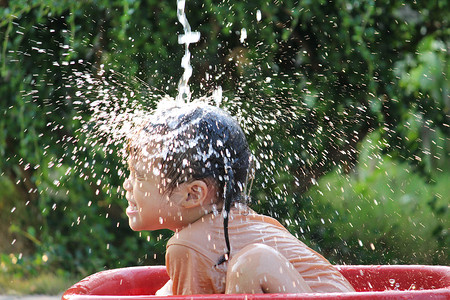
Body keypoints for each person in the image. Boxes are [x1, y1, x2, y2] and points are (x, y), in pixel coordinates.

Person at [122, 99, 355, 295]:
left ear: (193, 194)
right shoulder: (232, 225)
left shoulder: (187, 246)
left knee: (253, 263)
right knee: (166, 293)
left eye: (140, 176)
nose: (127, 184)